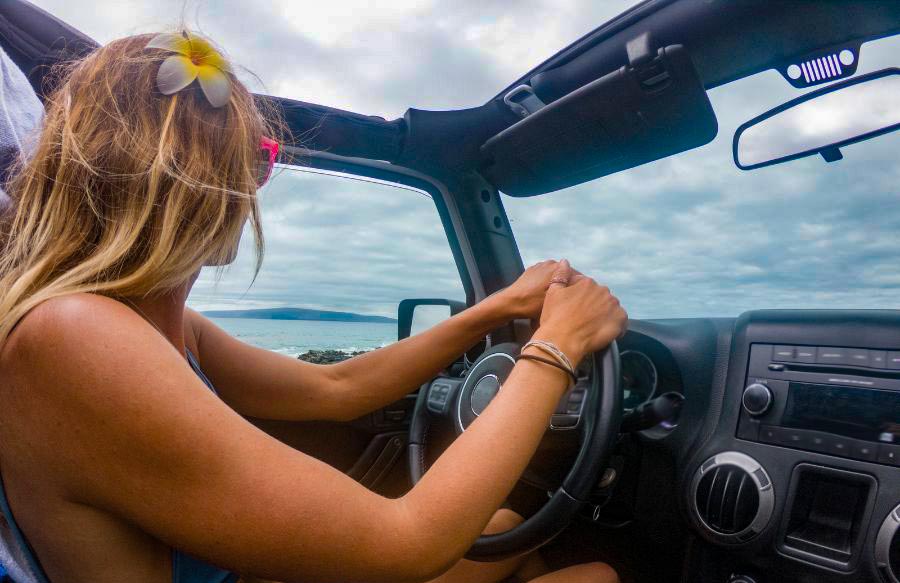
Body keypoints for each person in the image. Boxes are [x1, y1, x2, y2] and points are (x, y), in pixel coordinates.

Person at [0, 32, 627, 583]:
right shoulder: (76, 335)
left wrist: (498, 309)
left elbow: (336, 387)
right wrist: (557, 348)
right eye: (259, 160)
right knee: (595, 574)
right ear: (194, 173)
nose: (255, 190)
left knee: (512, 527)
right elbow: (408, 543)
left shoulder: (148, 321)